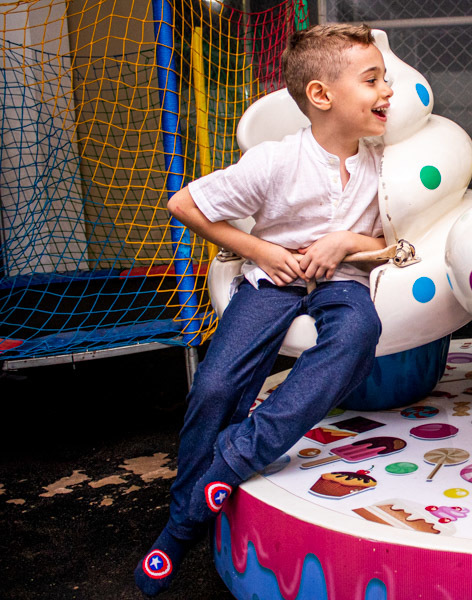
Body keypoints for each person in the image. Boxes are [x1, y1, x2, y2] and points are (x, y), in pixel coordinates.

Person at [134, 24, 393, 596]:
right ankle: (185, 520)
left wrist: (347, 244)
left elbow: (397, 243)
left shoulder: (386, 166)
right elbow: (185, 203)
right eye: (372, 79)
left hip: (340, 279)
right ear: (322, 96)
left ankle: (227, 465)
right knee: (216, 385)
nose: (387, 91)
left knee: (359, 330)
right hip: (272, 279)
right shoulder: (276, 160)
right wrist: (263, 250)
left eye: (385, 79)